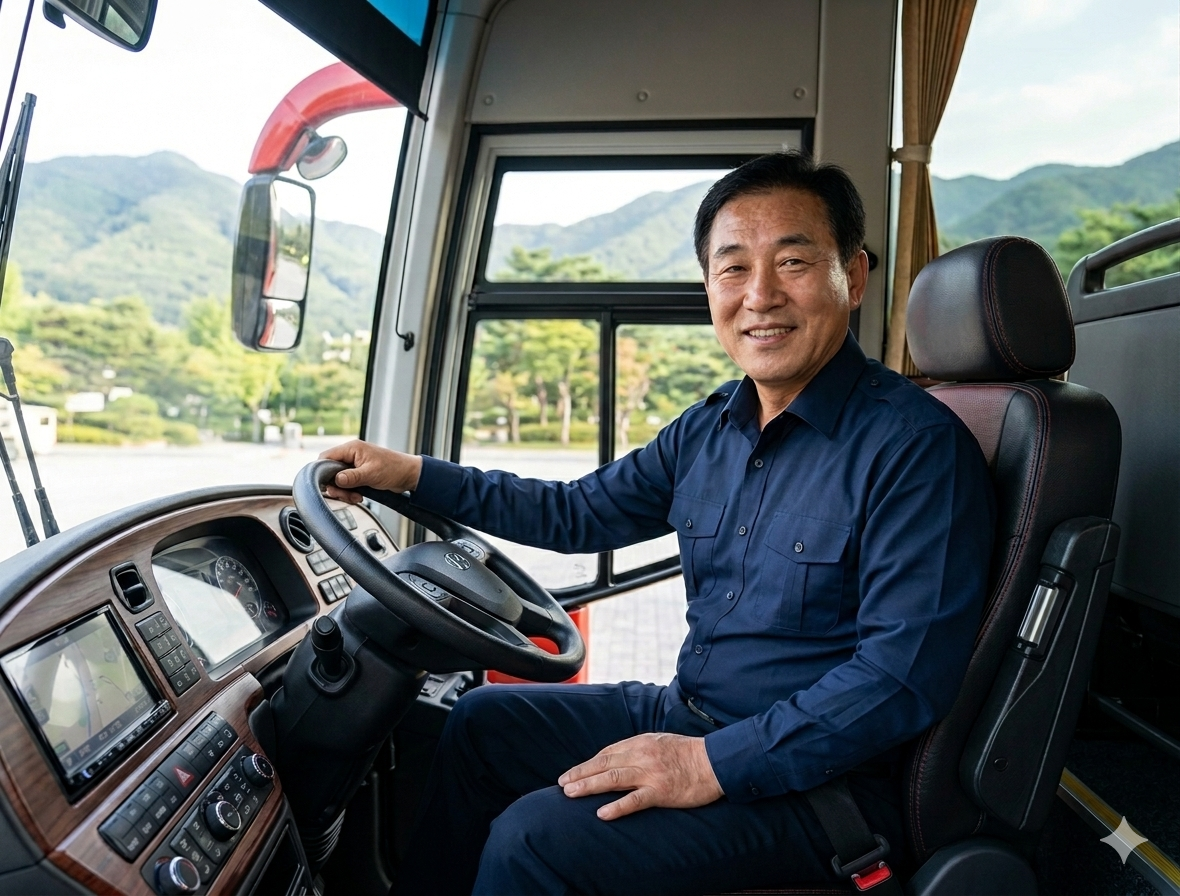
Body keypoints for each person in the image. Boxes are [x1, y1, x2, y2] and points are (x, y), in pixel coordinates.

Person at [322, 151, 995, 895]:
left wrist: (709, 764)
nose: (760, 295)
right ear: (710, 286)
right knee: (481, 722)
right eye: (733, 268)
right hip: (692, 714)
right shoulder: (709, 429)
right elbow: (574, 511)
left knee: (536, 840)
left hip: (824, 782)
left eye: (794, 261)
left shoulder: (916, 448)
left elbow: (900, 678)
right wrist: (413, 475)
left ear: (854, 276)